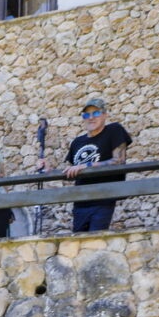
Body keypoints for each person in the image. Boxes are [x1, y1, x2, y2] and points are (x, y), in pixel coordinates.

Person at [39, 98, 133, 232]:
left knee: (95, 242)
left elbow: (118, 161)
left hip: (103, 199)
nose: (91, 118)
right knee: (80, 244)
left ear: (105, 115)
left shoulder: (114, 130)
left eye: (96, 113)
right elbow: (72, 172)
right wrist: (49, 170)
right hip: (80, 202)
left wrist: (86, 165)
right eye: (86, 115)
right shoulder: (77, 142)